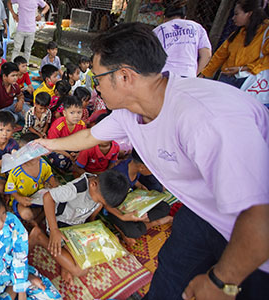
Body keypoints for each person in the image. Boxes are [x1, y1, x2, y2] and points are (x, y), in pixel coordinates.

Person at [37, 22, 269, 299]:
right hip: (202, 213)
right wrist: (46, 144)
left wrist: (223, 282)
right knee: (169, 279)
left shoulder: (206, 119)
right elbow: (90, 136)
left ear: (124, 76)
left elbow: (260, 216)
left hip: (253, 238)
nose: (96, 88)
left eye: (98, 78)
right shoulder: (131, 109)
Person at [30, 169, 128, 286]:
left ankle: (66, 263)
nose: (99, 203)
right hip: (61, 225)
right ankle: (39, 237)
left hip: (78, 225)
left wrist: (91, 228)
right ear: (93, 184)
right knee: (80, 270)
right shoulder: (75, 189)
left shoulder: (100, 187)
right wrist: (54, 230)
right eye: (100, 200)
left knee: (113, 241)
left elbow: (97, 206)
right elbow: (48, 197)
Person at [202, 0, 269, 88]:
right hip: (227, 77)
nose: (233, 18)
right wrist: (205, 73)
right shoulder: (238, 33)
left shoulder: (265, 32)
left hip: (248, 81)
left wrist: (244, 69)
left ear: (249, 14)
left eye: (236, 14)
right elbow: (221, 54)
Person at [5, 133, 58, 225]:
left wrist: (54, 187)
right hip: (23, 200)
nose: (33, 155)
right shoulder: (17, 170)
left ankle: (37, 219)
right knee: (27, 214)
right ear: (21, 152)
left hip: (39, 195)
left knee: (57, 201)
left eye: (36, 151)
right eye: (29, 152)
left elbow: (49, 175)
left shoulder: (43, 163)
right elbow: (10, 188)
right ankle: (39, 217)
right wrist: (19, 198)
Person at [153, 1, 212, 77]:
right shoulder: (197, 27)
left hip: (164, 75)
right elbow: (207, 54)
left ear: (164, 18)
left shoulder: (158, 30)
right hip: (188, 74)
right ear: (184, 17)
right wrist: (196, 74)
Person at [47, 95, 86, 171]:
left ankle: (72, 165)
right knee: (59, 160)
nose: (76, 116)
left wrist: (78, 154)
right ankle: (69, 166)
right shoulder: (58, 125)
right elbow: (52, 145)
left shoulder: (82, 125)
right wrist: (68, 155)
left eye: (79, 112)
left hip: (73, 148)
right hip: (58, 148)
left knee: (89, 153)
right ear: (64, 113)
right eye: (72, 112)